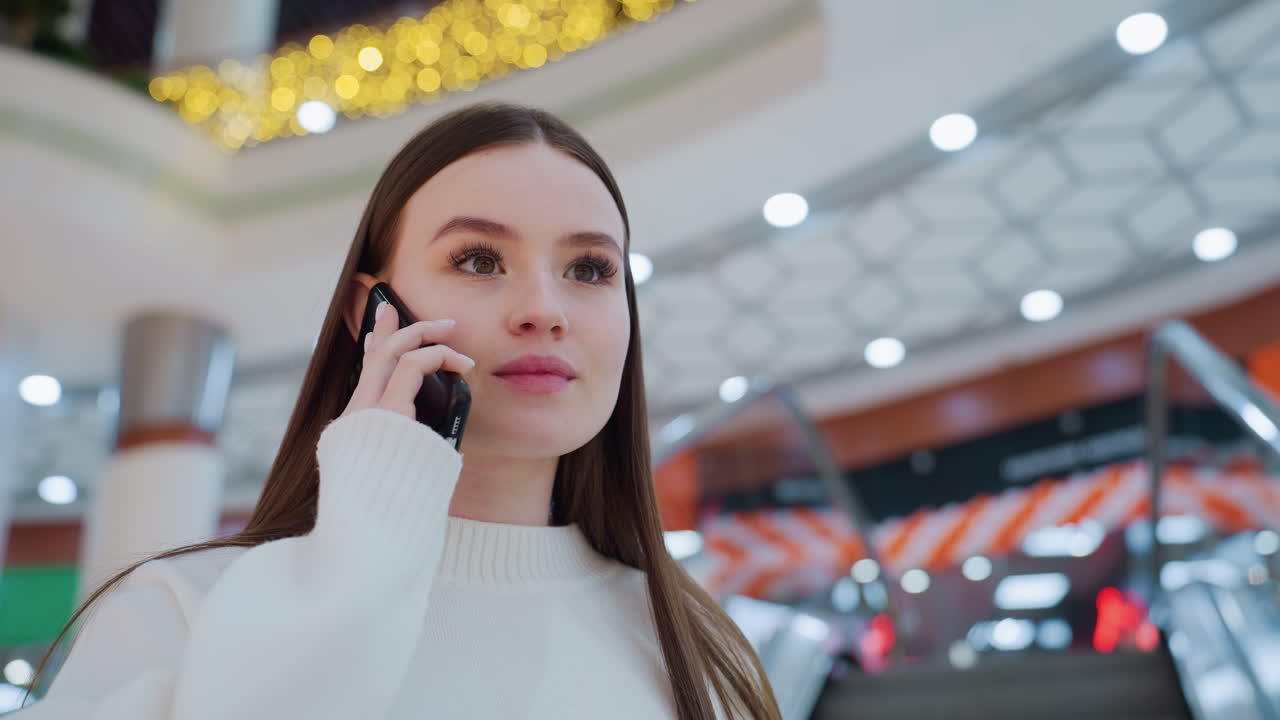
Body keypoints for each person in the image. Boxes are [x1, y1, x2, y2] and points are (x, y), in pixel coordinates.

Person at [18, 101, 782, 720]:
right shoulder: (183, 609)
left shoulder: (700, 646)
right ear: (370, 313)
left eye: (589, 268)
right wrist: (366, 537)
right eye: (479, 259)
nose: (545, 310)